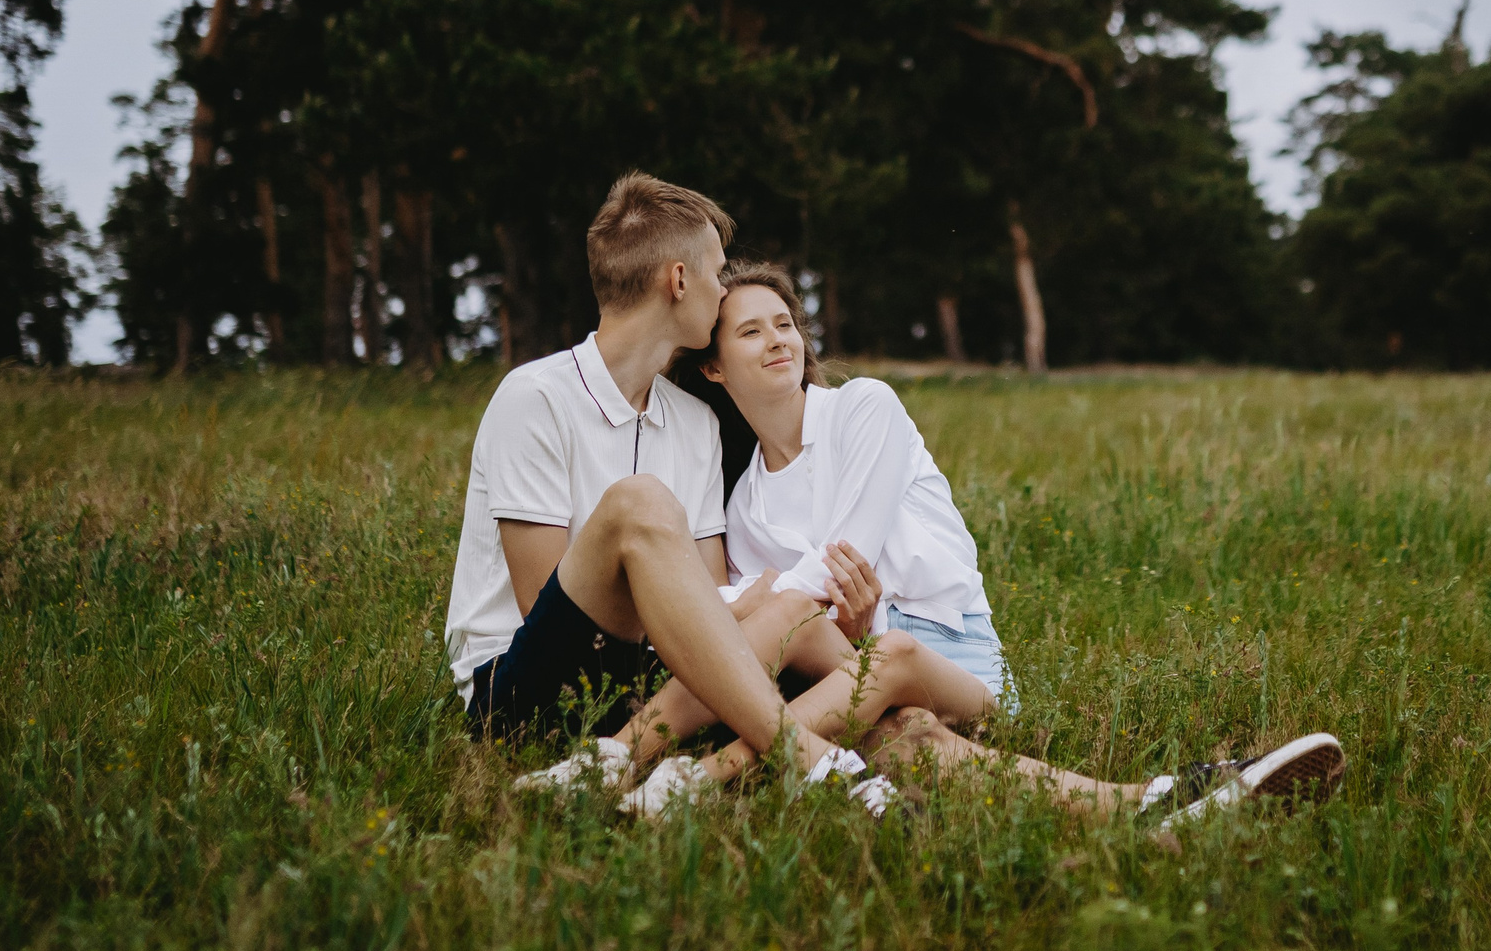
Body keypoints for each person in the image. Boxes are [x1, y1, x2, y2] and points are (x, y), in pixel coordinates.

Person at [525, 261, 1344, 822]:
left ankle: (670, 769)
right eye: (750, 332)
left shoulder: (865, 409)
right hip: (856, 667)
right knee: (905, 738)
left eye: (786, 323)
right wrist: (808, 611)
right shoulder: (744, 502)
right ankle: (1159, 804)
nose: (779, 339)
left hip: (955, 659)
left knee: (865, 646)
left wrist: (792, 604)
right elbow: (771, 618)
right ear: (712, 368)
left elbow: (838, 560)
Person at [440, 173, 893, 813]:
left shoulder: (694, 422)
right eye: (716, 271)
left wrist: (757, 606)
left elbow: (710, 597)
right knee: (640, 503)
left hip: (647, 680)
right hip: (524, 690)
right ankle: (809, 759)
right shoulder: (534, 398)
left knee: (794, 612)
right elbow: (542, 607)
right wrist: (710, 608)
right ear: (678, 281)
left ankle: (920, 739)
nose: (723, 289)